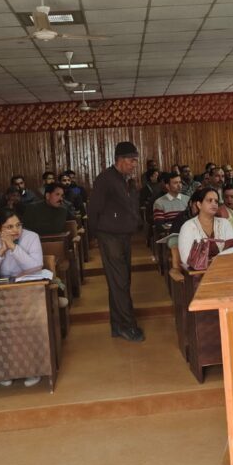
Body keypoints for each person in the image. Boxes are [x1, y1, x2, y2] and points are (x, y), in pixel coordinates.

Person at [88, 142, 144, 342]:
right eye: (132, 160)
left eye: (135, 161)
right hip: (109, 236)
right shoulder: (105, 179)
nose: (134, 165)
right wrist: (95, 236)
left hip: (123, 236)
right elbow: (93, 209)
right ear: (120, 160)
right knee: (120, 281)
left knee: (120, 281)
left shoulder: (125, 180)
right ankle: (128, 326)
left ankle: (118, 325)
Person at [177, 188, 233, 267]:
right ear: (199, 205)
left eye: (216, 201)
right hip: (198, 271)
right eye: (209, 200)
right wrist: (209, 263)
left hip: (224, 267)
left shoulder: (224, 223)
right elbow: (185, 258)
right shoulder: (188, 226)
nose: (214, 204)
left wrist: (217, 259)